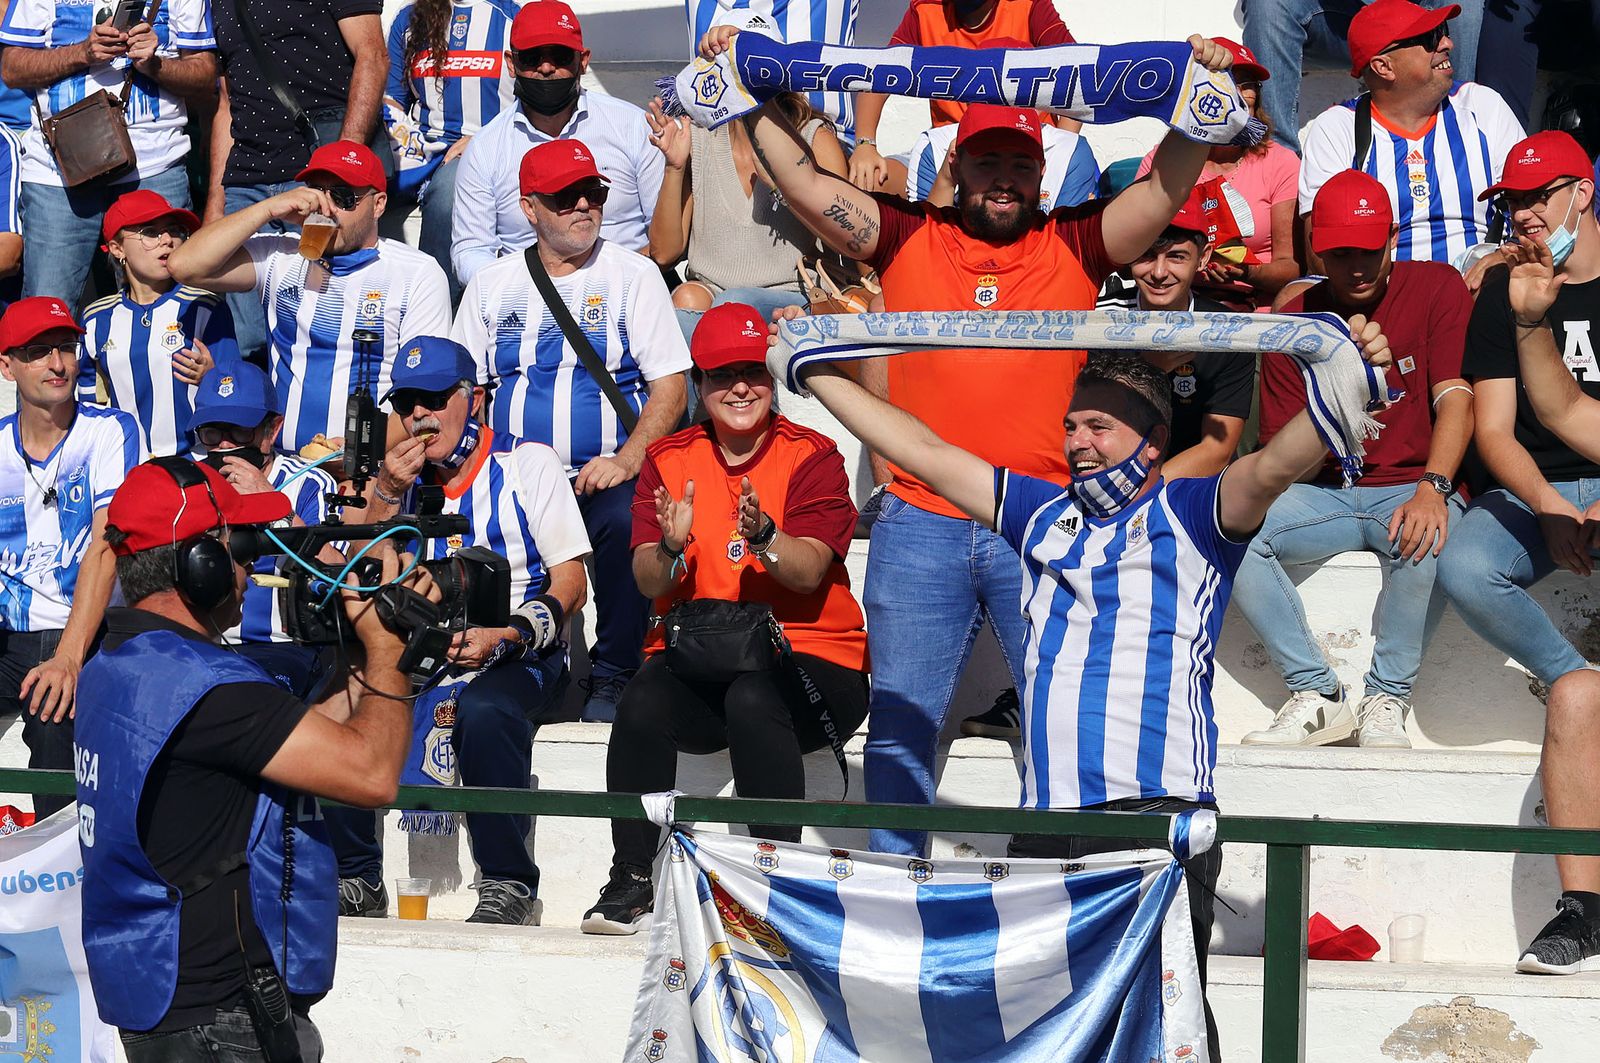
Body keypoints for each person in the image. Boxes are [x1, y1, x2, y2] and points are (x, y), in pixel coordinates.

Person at [779, 321, 1393, 1060]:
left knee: (1168, 1030)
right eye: (1071, 425)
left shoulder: (1194, 512)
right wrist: (814, 370)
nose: (1078, 441)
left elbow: (1275, 464)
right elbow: (925, 452)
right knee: (1044, 1035)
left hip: (1153, 817)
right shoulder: (1042, 512)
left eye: (1099, 426)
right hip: (1045, 824)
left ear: (1152, 441)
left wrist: (1343, 374)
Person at [708, 18, 1240, 856]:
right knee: (899, 728)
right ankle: (894, 881)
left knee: (1058, 722)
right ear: (954, 167)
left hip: (1047, 519)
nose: (1003, 178)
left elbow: (1169, 186)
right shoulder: (909, 232)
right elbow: (806, 185)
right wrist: (750, 84)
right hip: (921, 515)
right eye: (986, 160)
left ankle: (1055, 875)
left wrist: (1198, 87)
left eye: (1019, 163)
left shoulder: (1078, 239)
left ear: (1041, 173)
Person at [72, 456, 415, 1059]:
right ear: (197, 564)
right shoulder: (206, 687)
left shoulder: (119, 665)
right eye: (237, 550)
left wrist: (357, 659)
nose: (249, 569)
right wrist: (388, 650)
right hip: (227, 1021)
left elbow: (296, 744)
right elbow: (371, 774)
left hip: (164, 1000)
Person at [581, 304, 870, 935]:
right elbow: (645, 580)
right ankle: (631, 877)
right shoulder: (669, 458)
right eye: (721, 374)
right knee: (641, 701)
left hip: (813, 659)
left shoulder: (812, 455)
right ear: (699, 385)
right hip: (702, 654)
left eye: (752, 372)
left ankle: (774, 882)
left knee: (753, 695)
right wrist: (671, 548)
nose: (740, 387)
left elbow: (808, 571)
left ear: (771, 378)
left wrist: (765, 535)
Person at [967, 192, 1257, 742]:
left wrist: (1135, 498)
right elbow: (1078, 425)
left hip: (1186, 501)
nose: (1159, 271)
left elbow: (1219, 448)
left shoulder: (1229, 331)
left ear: (1203, 255)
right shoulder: (1104, 326)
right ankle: (1030, 682)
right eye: (1147, 255)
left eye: (1177, 256)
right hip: (1103, 488)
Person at [326, 336, 591, 925]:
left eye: (434, 399)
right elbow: (351, 573)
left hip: (522, 648)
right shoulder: (398, 482)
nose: (419, 414)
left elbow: (572, 582)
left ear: (471, 400)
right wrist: (387, 495)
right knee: (335, 707)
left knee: (486, 711)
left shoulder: (528, 462)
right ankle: (356, 875)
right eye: (407, 403)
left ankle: (509, 882)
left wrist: (508, 635)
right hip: (422, 650)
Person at [1433, 130, 1600, 973]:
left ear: (1584, 191)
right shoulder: (1509, 291)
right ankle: (1582, 910)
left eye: (1541, 197)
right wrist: (1551, 508)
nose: (1527, 217)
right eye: (1515, 203)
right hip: (1547, 492)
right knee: (1572, 690)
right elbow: (1524, 423)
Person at [1235, 169, 1473, 749]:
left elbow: (1457, 399)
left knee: (1424, 538)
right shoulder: (1297, 316)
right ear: (1318, 247)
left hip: (1413, 481)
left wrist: (1433, 487)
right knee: (1231, 529)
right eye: (1342, 253)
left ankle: (1387, 697)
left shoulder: (1437, 285)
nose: (1357, 266)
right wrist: (1347, 388)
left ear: (1392, 239)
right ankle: (1319, 692)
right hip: (1328, 490)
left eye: (1368, 250)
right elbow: (1284, 455)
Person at [453, 139, 689, 722]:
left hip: (602, 469)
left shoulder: (633, 275)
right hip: (513, 473)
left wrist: (629, 458)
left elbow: (671, 388)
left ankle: (613, 675)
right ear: (529, 209)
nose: (584, 206)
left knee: (620, 514)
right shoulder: (491, 284)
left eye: (594, 193)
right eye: (565, 198)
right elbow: (465, 388)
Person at [169, 141, 452, 453]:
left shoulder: (416, 273)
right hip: (280, 466)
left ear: (379, 204)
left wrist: (356, 453)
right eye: (317, 193)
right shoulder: (281, 255)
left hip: (367, 467)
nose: (327, 208)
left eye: (343, 196)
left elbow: (422, 395)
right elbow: (184, 266)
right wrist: (268, 209)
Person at [0, 297, 142, 819]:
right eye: (38, 352)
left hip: (86, 634)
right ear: (6, 365)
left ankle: (68, 883)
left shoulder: (108, 431)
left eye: (65, 347)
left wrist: (69, 656)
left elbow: (106, 549)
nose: (57, 364)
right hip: (8, 637)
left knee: (55, 716)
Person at [0, 0, 217, 312]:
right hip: (57, 174)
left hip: (156, 169)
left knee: (170, 311)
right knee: (47, 313)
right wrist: (82, 53)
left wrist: (154, 65)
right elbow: (12, 68)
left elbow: (205, 75)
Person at [206, 0, 390, 363]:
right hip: (247, 180)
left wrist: (341, 170)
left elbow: (373, 56)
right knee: (249, 342)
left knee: (322, 326)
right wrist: (216, 198)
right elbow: (226, 101)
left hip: (316, 180)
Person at [1296, 0, 1522, 274]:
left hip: (1481, 286)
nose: (1447, 43)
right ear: (1384, 67)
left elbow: (1538, 210)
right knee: (1290, 298)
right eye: (1430, 39)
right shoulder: (1337, 128)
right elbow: (1322, 253)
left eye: (1444, 32)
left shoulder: (1482, 106)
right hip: (1386, 293)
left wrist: (1507, 257)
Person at [450, 1, 663, 286]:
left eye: (560, 56)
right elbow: (471, 250)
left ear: (583, 60)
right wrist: (517, 291)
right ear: (512, 64)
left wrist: (623, 280)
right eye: (532, 57)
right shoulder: (486, 149)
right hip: (528, 296)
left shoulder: (633, 127)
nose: (547, 67)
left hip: (628, 288)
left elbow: (663, 232)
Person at [189, 358, 340, 700]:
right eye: (212, 432)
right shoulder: (186, 481)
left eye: (239, 431)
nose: (226, 446)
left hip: (281, 649)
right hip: (200, 646)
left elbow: (337, 572)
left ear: (272, 430)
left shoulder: (310, 483)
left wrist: (271, 504)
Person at [646, 88, 849, 338]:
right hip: (713, 291)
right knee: (686, 299)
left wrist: (782, 188)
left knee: (734, 304)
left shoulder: (811, 137)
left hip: (794, 294)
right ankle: (699, 378)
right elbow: (664, 254)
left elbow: (845, 239)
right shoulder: (699, 138)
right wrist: (674, 168)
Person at [847, 0, 1078, 196]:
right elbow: (881, 74)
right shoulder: (927, 8)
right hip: (949, 152)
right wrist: (865, 145)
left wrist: (1061, 148)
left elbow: (1080, 73)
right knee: (865, 181)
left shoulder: (1028, 5)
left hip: (1021, 151)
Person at [1134, 39, 1301, 310]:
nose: (1237, 92)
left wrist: (1247, 272)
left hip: (1254, 308)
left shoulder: (1281, 163)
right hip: (1175, 302)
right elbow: (1135, 242)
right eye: (1225, 80)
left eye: (1247, 84)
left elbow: (1290, 268)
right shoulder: (1161, 160)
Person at [382, 0, 522, 303]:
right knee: (353, 188)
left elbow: (533, 97)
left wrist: (483, 138)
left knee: (448, 199)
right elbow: (394, 97)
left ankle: (436, 315)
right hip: (417, 150)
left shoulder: (512, 17)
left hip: (477, 149)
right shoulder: (409, 18)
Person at [80, 190, 238, 458]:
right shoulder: (96, 318)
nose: (167, 240)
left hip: (195, 464)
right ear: (117, 248)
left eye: (174, 231)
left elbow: (235, 394)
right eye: (150, 232)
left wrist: (212, 377)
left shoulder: (204, 307)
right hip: (124, 468)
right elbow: (88, 405)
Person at [1241, 0, 1482, 154]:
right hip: (1335, 21)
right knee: (1268, 5)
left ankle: (1462, 143)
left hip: (1415, 18)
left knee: (1468, 7)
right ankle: (1277, 162)